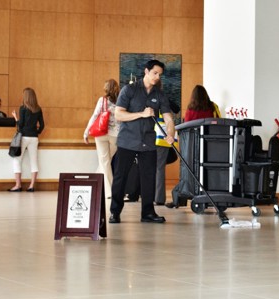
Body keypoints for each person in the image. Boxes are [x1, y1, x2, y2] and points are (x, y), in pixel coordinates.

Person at [109, 59, 175, 224]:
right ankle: (114, 212)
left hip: (148, 142)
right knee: (120, 178)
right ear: (146, 71)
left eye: (159, 74)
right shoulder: (129, 90)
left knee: (149, 178)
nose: (157, 77)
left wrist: (170, 133)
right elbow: (119, 114)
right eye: (155, 73)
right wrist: (141, 114)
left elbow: (168, 118)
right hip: (127, 141)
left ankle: (148, 213)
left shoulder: (159, 95)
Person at [165, 85, 219, 208]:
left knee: (188, 170)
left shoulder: (191, 109)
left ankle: (180, 199)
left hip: (192, 146)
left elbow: (186, 126)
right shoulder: (211, 107)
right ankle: (208, 196)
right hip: (208, 144)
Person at [83, 79, 120, 199]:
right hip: (115, 135)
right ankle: (105, 188)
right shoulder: (121, 101)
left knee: (104, 162)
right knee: (106, 161)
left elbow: (94, 116)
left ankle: (104, 190)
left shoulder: (102, 100)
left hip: (101, 133)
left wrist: (86, 132)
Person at [8, 87, 45, 192]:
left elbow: (20, 125)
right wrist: (37, 132)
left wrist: (15, 117)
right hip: (34, 138)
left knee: (17, 159)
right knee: (34, 161)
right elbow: (42, 125)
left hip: (24, 137)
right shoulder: (38, 109)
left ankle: (18, 185)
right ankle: (31, 186)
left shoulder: (23, 108)